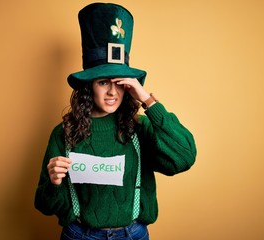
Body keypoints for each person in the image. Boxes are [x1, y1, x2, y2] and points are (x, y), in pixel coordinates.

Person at [35, 3, 197, 240]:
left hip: (133, 234)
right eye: (103, 82)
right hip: (80, 235)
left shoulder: (140, 128)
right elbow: (44, 204)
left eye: (120, 83)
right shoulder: (64, 133)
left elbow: (184, 157)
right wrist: (53, 181)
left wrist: (147, 100)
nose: (112, 92)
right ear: (89, 86)